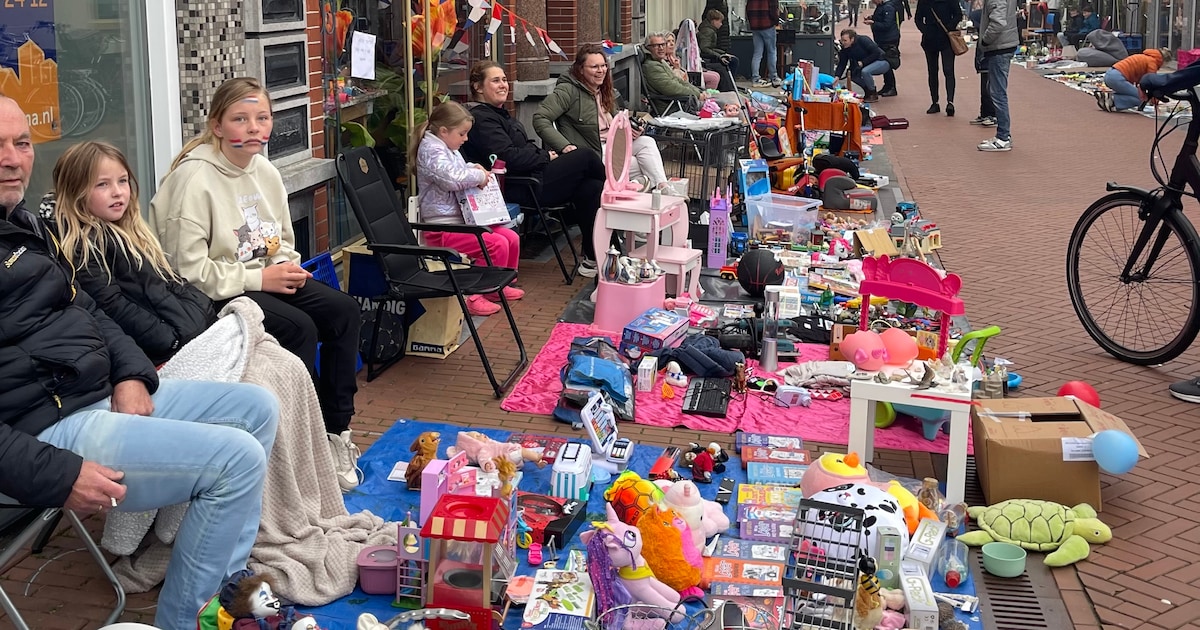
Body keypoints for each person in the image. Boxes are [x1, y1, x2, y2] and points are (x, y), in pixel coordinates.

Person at [0, 95, 279, 630]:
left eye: (23, 143)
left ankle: (226, 586)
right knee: (235, 460)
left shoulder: (22, 228)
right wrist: (58, 474)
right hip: (46, 429)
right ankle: (187, 621)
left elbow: (85, 310)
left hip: (95, 393)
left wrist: (131, 375)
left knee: (257, 408)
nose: (14, 159)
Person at [148, 77, 363, 489]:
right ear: (217, 126)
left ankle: (333, 432)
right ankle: (295, 447)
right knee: (298, 328)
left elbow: (281, 238)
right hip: (211, 295)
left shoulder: (264, 169)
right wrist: (259, 276)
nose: (253, 128)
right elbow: (187, 273)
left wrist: (285, 266)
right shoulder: (192, 182)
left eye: (261, 118)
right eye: (240, 119)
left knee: (343, 311)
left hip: (259, 277)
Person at [45, 142, 215, 366]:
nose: (118, 192)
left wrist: (206, 311)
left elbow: (169, 281)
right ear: (76, 191)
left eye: (122, 181)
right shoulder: (83, 245)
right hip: (160, 352)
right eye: (102, 184)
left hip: (186, 334)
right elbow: (112, 306)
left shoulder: (127, 229)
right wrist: (169, 341)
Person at [459, 61, 606, 276]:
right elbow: (508, 157)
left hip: (533, 176)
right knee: (584, 156)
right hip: (519, 186)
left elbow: (523, 148)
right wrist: (545, 155)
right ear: (478, 87)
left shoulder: (501, 114)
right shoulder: (482, 119)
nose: (503, 85)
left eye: (504, 80)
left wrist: (541, 156)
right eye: (495, 80)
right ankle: (618, 194)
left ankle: (594, 257)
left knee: (591, 187)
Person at [410, 101, 523, 317]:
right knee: (495, 244)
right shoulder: (431, 150)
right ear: (444, 131)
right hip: (441, 229)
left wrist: (473, 167)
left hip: (457, 222)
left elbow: (457, 171)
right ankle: (475, 295)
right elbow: (451, 178)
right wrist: (479, 175)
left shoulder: (445, 147)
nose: (466, 139)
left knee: (510, 237)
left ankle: (498, 284)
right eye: (462, 134)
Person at [534, 44, 669, 192]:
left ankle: (663, 188)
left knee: (647, 142)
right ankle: (641, 185)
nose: (601, 71)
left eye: (604, 66)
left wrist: (630, 129)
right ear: (580, 69)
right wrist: (564, 146)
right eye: (594, 67)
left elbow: (615, 119)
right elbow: (540, 118)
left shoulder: (604, 89)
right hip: (592, 152)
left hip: (612, 144)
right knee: (641, 164)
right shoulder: (568, 90)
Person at [977, 0, 1018, 151]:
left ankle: (1003, 137)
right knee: (995, 89)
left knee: (997, 91)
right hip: (1004, 44)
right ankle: (1003, 134)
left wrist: (985, 40)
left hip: (999, 46)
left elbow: (998, 22)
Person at [916, 0, 964, 116]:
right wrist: (925, 30)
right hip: (930, 39)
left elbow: (958, 14)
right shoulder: (924, 2)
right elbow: (918, 18)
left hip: (946, 39)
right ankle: (934, 102)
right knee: (932, 71)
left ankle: (950, 102)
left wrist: (949, 26)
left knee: (948, 70)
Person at [642, 32, 705, 102]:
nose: (661, 48)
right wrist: (697, 95)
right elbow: (673, 88)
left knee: (715, 98)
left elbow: (679, 80)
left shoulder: (661, 61)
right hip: (674, 106)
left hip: (684, 101)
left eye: (663, 44)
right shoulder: (651, 66)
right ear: (648, 48)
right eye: (656, 46)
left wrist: (699, 92)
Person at [834, 28, 889, 102]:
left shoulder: (863, 40)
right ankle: (867, 91)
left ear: (852, 39)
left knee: (865, 71)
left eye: (845, 40)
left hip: (881, 61)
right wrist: (837, 76)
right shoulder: (845, 49)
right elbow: (842, 63)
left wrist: (863, 62)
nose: (843, 43)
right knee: (853, 75)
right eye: (842, 40)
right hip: (864, 64)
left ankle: (873, 93)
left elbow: (876, 53)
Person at [864, 0, 901, 96]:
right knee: (885, 61)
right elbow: (881, 18)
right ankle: (887, 85)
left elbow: (887, 25)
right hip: (882, 39)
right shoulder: (881, 6)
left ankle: (892, 87)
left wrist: (873, 23)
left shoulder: (888, 7)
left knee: (888, 62)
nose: (873, 2)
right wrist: (872, 18)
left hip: (888, 40)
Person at [697, 9, 740, 92]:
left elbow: (709, 48)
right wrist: (720, 56)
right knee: (732, 62)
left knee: (732, 60)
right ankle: (729, 87)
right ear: (713, 21)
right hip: (707, 58)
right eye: (719, 22)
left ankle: (730, 85)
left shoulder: (709, 30)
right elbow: (705, 48)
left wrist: (723, 53)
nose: (721, 24)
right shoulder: (708, 31)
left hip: (709, 55)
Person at [747, 0, 781, 87]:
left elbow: (747, 9)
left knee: (757, 53)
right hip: (767, 25)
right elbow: (774, 10)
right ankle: (773, 77)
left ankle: (755, 79)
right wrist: (776, 22)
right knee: (772, 51)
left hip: (755, 26)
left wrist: (751, 23)